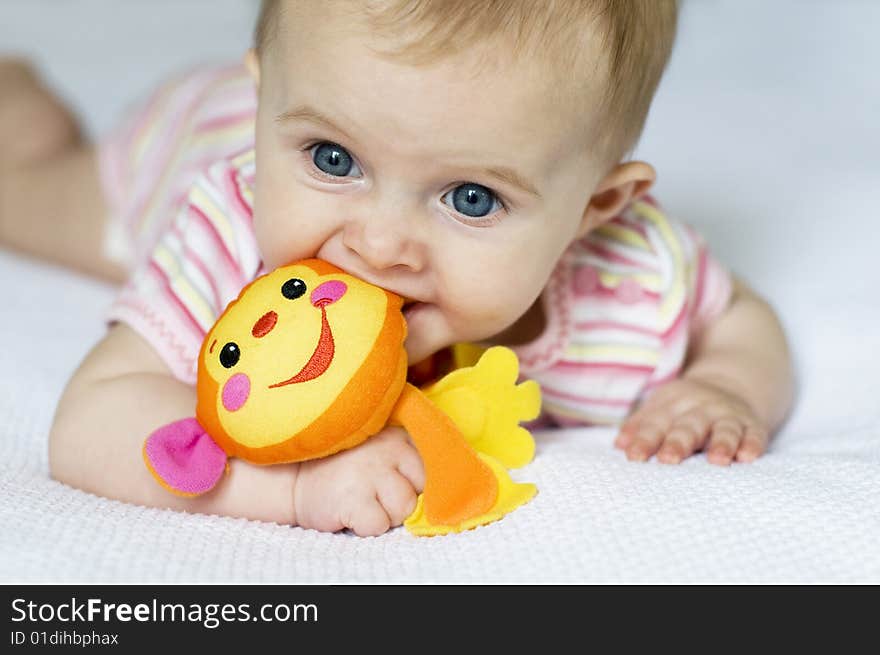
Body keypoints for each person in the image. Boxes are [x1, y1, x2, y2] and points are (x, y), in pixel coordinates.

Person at [0, 1, 793, 536]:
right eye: (332, 158)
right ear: (271, 100)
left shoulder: (623, 280)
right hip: (178, 146)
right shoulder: (232, 224)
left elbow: (737, 314)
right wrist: (291, 491)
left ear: (594, 209)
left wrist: (725, 383)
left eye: (472, 199)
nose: (380, 245)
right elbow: (90, 422)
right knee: (24, 196)